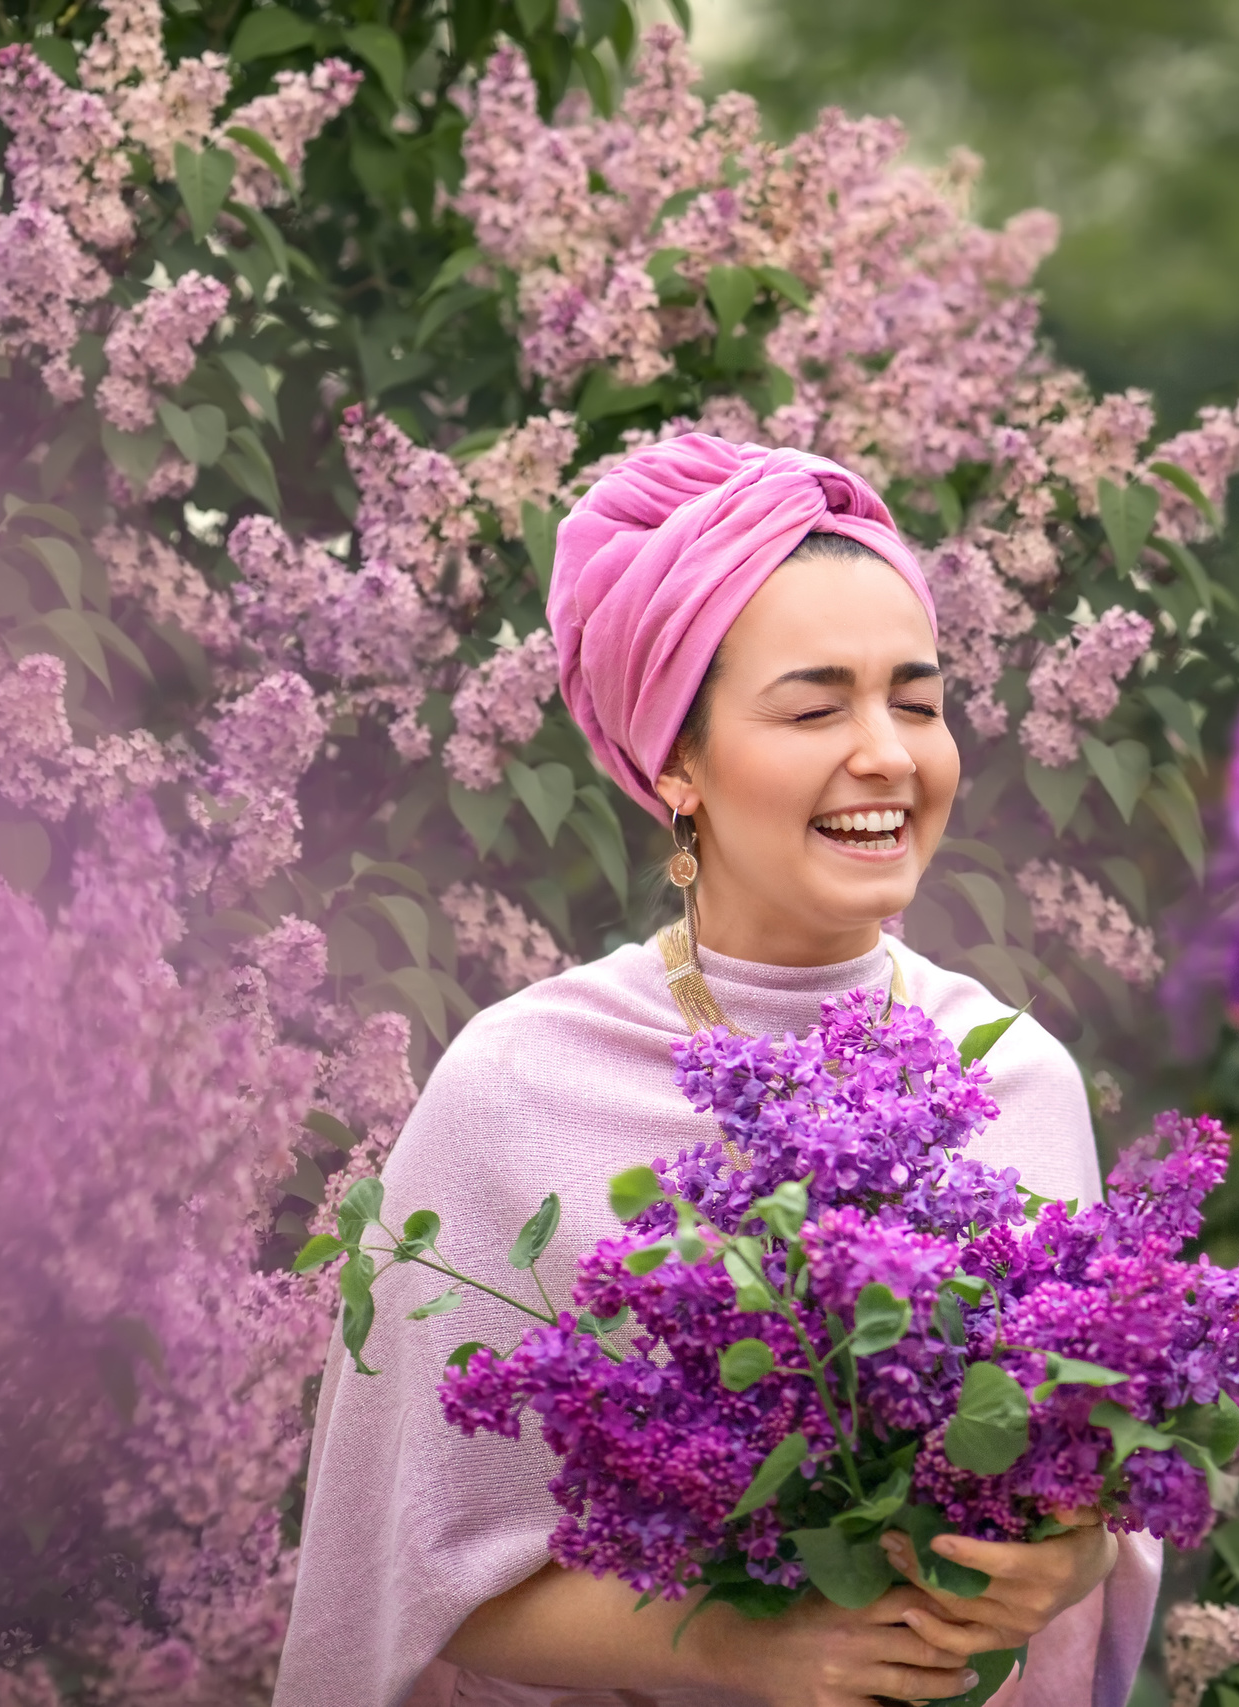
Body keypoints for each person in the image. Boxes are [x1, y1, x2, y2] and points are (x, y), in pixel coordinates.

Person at [274, 436, 1159, 1707]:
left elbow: (1087, 1488)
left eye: (916, 702)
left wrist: (1065, 1563)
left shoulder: (1020, 1079)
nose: (889, 756)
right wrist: (744, 1646)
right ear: (675, 765)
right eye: (813, 708)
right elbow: (418, 1572)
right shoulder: (520, 1086)